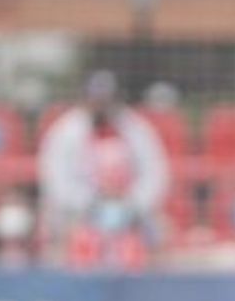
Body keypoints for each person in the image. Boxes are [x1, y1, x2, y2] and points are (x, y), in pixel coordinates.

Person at [40, 69, 170, 268]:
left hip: (130, 209)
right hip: (80, 210)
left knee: (160, 231)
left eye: (106, 99)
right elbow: (57, 180)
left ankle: (149, 290)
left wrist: (132, 205)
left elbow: (155, 173)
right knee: (57, 231)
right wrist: (90, 204)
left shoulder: (136, 128)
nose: (101, 106)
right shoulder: (66, 130)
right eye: (96, 99)